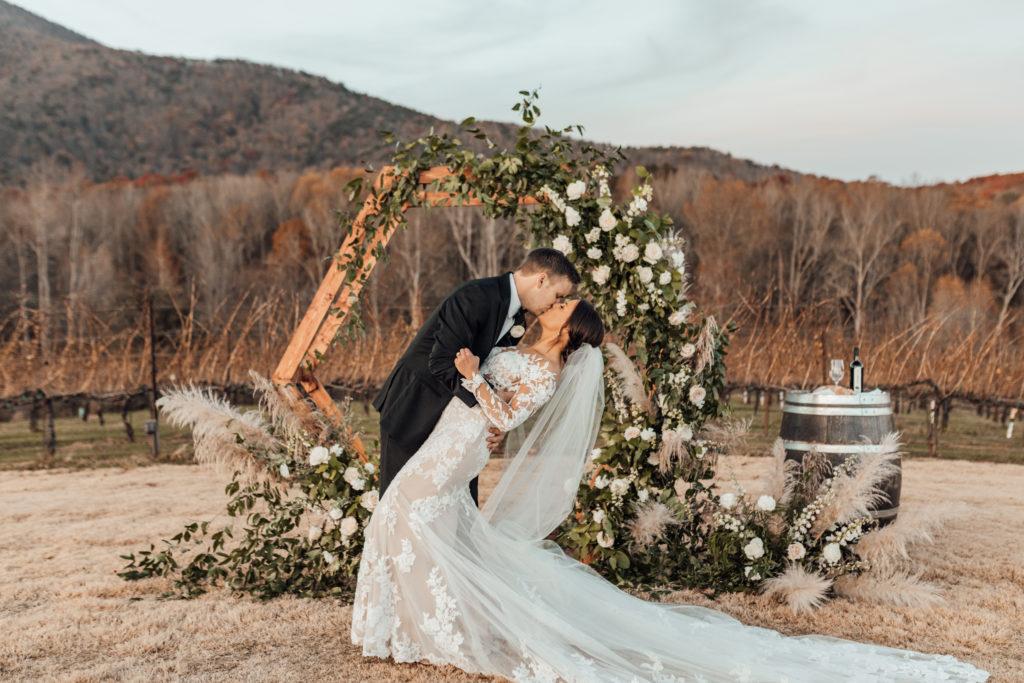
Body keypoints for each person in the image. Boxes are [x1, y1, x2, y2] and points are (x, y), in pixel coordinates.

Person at [352, 298, 989, 682]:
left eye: (560, 310)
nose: (549, 310)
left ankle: (427, 628)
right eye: (553, 304)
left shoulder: (547, 368)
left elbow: (501, 417)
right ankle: (414, 624)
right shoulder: (518, 340)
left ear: (570, 332)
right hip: (451, 440)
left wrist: (472, 376)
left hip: (464, 439)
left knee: (408, 515)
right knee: (409, 519)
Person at [371, 247, 579, 506]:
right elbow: (442, 362)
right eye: (558, 295)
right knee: (399, 506)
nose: (555, 304)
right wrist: (487, 407)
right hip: (415, 407)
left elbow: (487, 373)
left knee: (456, 507)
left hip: (457, 426)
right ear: (541, 280)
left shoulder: (517, 320)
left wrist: (495, 418)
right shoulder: (476, 296)